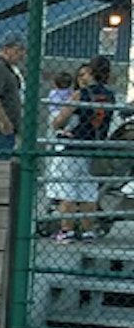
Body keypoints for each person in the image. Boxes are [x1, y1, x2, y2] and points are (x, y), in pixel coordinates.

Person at [49, 56, 117, 242]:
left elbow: (59, 121)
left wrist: (59, 125)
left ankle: (67, 231)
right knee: (88, 193)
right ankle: (88, 231)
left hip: (73, 147)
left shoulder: (81, 94)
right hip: (93, 147)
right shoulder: (110, 96)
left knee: (67, 192)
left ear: (91, 72)